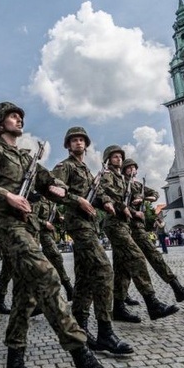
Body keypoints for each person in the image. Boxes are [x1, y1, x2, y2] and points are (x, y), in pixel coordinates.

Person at [0, 103, 129, 368]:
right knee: (48, 279)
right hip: (8, 226)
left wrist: (58, 190)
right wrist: (7, 195)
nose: (19, 119)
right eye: (13, 116)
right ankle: (84, 363)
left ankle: (15, 366)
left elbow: (48, 182)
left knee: (25, 299)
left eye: (21, 116)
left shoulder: (26, 157)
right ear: (0, 124)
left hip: (30, 227)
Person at [52, 129, 136, 349]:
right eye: (73, 140)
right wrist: (77, 200)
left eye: (81, 139)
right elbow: (54, 190)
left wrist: (105, 202)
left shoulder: (88, 171)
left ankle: (80, 326)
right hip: (78, 225)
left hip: (90, 223)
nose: (78, 142)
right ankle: (105, 332)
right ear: (68, 145)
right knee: (104, 270)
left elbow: (95, 196)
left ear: (86, 144)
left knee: (84, 277)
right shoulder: (65, 167)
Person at [120, 159, 184, 307]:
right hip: (126, 226)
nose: (131, 170)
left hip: (138, 226)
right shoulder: (121, 184)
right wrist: (133, 209)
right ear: (124, 170)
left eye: (133, 168)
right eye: (128, 168)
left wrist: (143, 198)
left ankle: (177, 288)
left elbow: (155, 193)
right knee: (132, 261)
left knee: (137, 261)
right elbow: (118, 202)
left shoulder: (139, 185)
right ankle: (123, 298)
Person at [32, 198, 74, 301]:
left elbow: (55, 216)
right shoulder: (36, 199)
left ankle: (44, 293)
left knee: (47, 263)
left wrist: (60, 218)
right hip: (39, 233)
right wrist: (44, 223)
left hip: (49, 233)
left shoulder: (51, 200)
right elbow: (31, 215)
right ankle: (68, 287)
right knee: (56, 256)